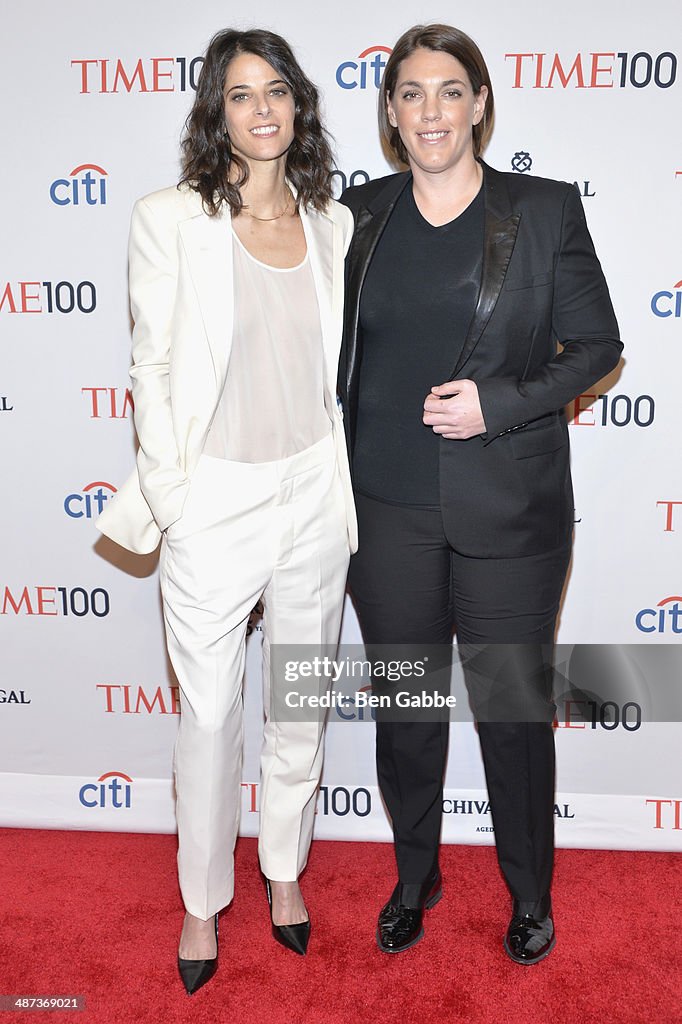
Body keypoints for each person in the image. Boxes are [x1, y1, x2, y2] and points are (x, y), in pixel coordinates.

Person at [338, 23, 622, 964]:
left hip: (510, 512)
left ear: (480, 104)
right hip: (385, 509)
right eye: (412, 93)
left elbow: (596, 349)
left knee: (509, 707)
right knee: (407, 711)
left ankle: (530, 893)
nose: (432, 111)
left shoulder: (543, 210)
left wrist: (497, 405)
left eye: (450, 91)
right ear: (390, 111)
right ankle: (415, 876)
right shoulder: (357, 218)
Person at [96, 28, 356, 994]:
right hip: (216, 500)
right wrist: (175, 492)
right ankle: (202, 899)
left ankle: (284, 872)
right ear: (217, 110)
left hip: (314, 499)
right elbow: (151, 364)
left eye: (277, 91)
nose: (261, 110)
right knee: (207, 715)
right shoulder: (170, 218)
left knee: (297, 698)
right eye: (240, 94)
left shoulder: (332, 223)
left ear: (299, 108)